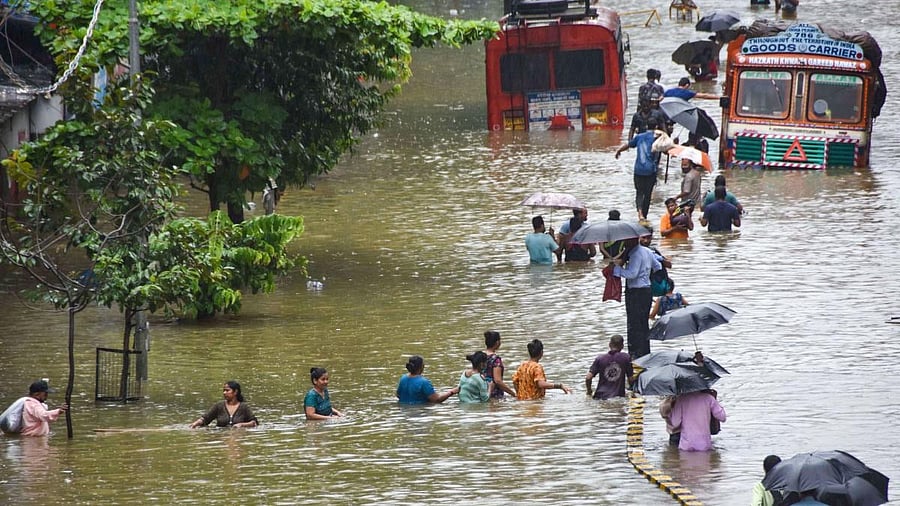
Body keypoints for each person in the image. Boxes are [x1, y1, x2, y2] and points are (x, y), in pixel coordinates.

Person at [613, 238, 662, 358]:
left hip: (636, 292)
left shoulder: (635, 254)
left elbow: (632, 274)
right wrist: (646, 274)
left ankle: (635, 355)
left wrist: (617, 269)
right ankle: (645, 353)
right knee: (643, 324)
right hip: (646, 290)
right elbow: (658, 266)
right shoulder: (647, 251)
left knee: (634, 325)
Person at [615, 118, 661, 222]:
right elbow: (666, 149)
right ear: (657, 127)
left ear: (646, 126)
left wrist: (619, 150)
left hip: (638, 170)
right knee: (648, 194)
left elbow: (628, 145)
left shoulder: (639, 137)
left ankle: (640, 213)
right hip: (650, 171)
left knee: (639, 192)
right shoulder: (658, 138)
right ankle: (644, 215)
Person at [190, 381, 259, 428]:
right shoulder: (219, 405)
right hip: (221, 437)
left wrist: (242, 425)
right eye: (224, 390)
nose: (224, 393)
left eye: (227, 390)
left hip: (239, 436)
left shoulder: (244, 407)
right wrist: (195, 424)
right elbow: (205, 419)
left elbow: (254, 423)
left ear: (235, 392)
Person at [584, 334, 633, 400]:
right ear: (622, 346)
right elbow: (630, 379)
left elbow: (588, 378)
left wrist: (589, 392)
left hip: (599, 397)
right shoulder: (626, 358)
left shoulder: (600, 359)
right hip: (617, 397)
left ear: (609, 344)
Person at [483, 330, 516, 399]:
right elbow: (498, 381)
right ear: (497, 342)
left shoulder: (480, 356)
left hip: (482, 392)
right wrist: (513, 394)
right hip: (494, 395)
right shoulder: (495, 359)